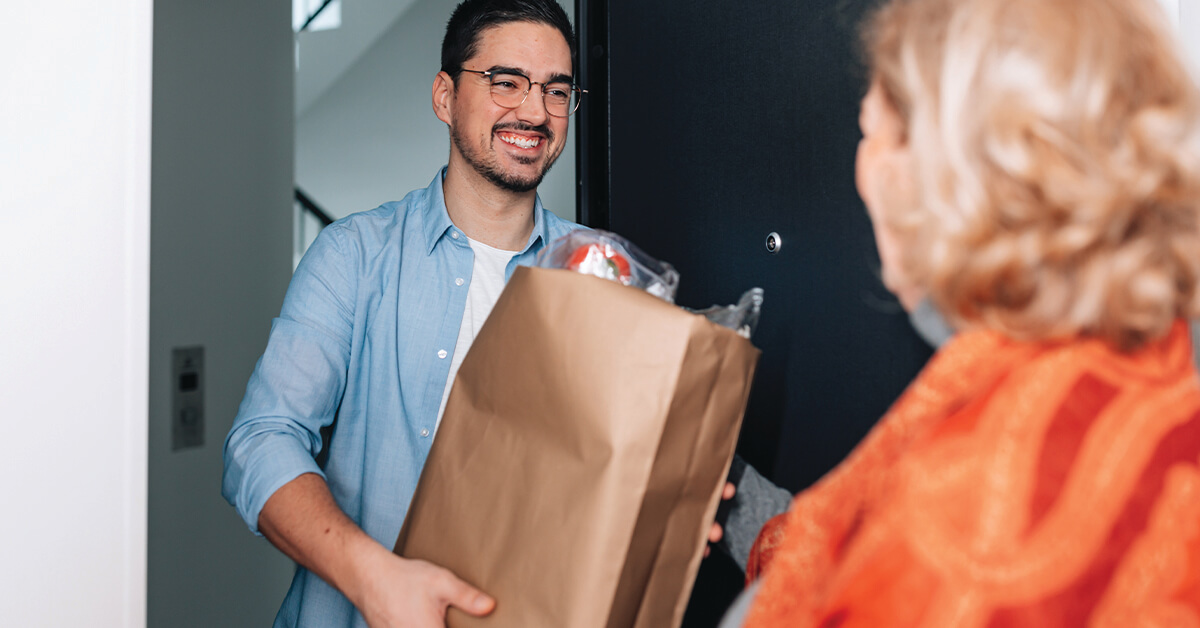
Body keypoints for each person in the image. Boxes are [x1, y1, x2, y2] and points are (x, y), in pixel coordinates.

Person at [722, 0, 1200, 625]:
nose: (865, 170)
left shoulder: (953, 528)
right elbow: (843, 538)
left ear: (954, 178)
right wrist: (717, 489)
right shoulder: (1158, 372)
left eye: (878, 132)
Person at [221, 2, 582, 626]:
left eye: (556, 90)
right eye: (506, 81)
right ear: (445, 96)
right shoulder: (353, 256)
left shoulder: (596, 275)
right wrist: (376, 578)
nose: (533, 110)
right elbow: (261, 442)